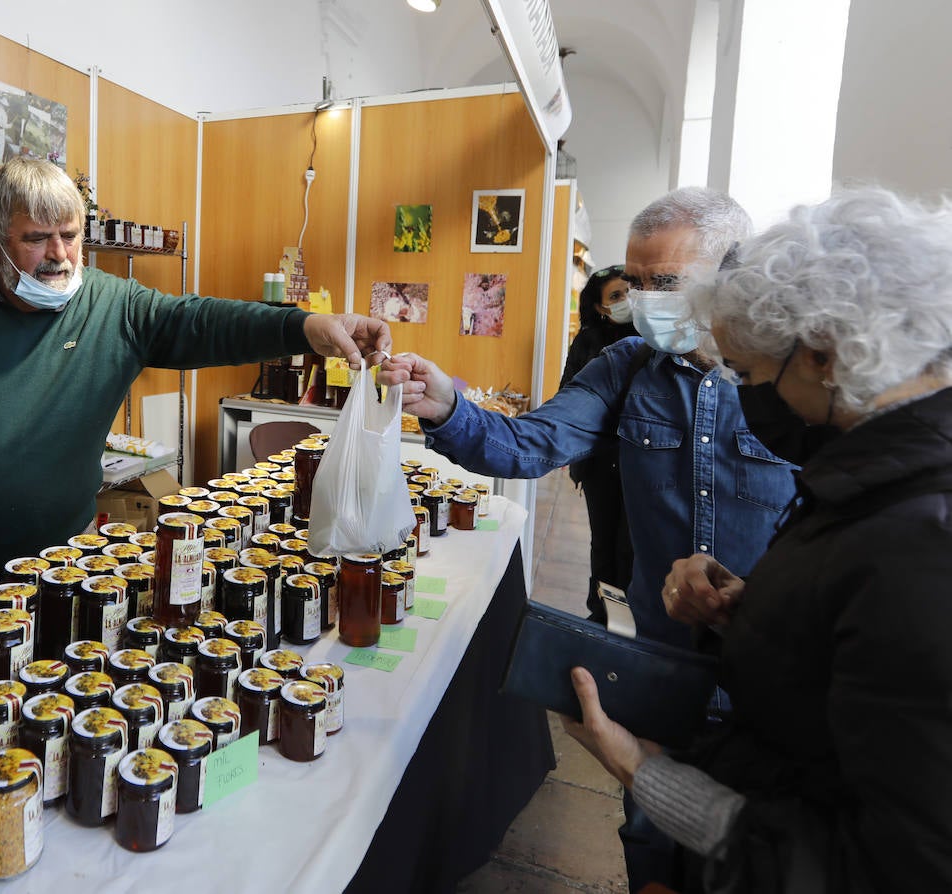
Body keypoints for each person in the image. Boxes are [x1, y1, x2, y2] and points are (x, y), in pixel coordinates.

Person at [378, 187, 796, 891]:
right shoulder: (627, 367)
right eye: (634, 282)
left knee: (764, 854)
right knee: (652, 829)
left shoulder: (789, 388)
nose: (643, 300)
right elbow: (529, 443)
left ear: (735, 275)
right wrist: (446, 404)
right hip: (660, 660)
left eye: (665, 283)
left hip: (774, 678)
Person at [564, 188, 952, 891]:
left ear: (825, 356)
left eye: (745, 376)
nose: (740, 397)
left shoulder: (920, 552)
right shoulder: (878, 480)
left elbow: (879, 866)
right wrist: (757, 609)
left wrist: (642, 772)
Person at [0, 158, 391, 600]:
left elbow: (202, 320)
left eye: (71, 236)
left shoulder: (113, 307)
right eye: (36, 239)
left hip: (55, 577)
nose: (60, 256)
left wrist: (306, 326)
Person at [557, 264, 637, 620]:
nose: (626, 301)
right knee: (604, 542)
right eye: (616, 296)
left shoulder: (653, 340)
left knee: (632, 546)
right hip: (601, 463)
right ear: (601, 308)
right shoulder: (588, 342)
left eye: (630, 292)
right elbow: (568, 393)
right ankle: (602, 614)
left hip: (641, 459)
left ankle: (632, 615)